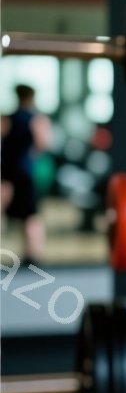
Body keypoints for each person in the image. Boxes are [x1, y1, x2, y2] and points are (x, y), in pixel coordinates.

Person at [1, 84, 53, 264]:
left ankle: (30, 254)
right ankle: (33, 254)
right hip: (25, 172)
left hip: (8, 172)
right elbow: (44, 143)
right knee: (30, 215)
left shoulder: (8, 119)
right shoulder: (36, 119)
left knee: (7, 210)